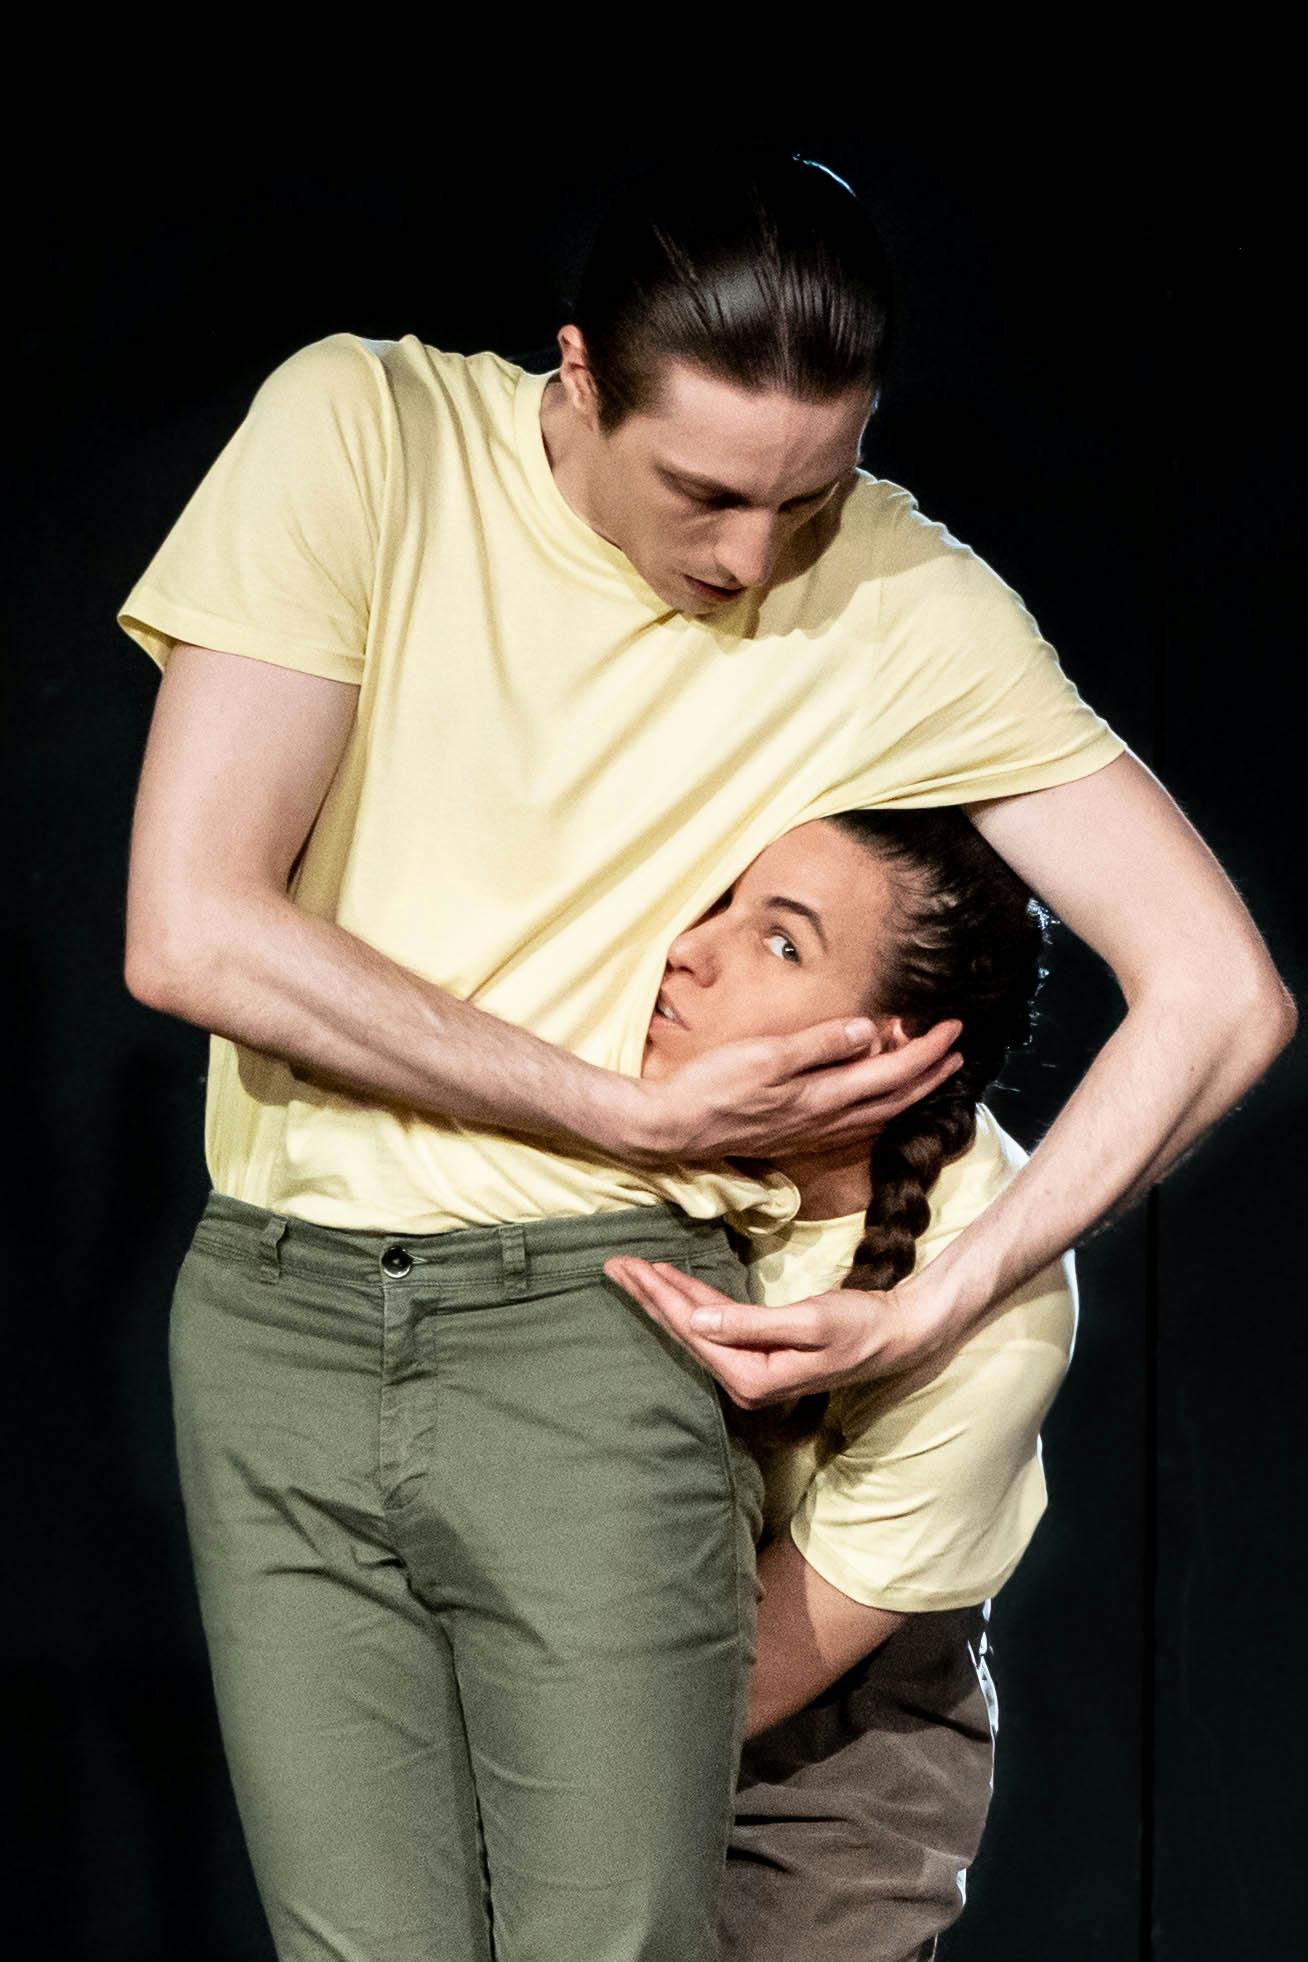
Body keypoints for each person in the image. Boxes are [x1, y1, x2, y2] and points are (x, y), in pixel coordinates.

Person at [116, 147, 1294, 1961]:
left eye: (806, 497)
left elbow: (1221, 991)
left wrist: (946, 1293)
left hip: (588, 1317)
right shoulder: (361, 432)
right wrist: (618, 1098)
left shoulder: (901, 595)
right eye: (705, 490)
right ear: (577, 371)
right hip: (272, 1310)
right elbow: (192, 926)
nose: (750, 557)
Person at [627, 804, 1073, 1959]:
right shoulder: (628, 1064)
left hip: (827, 1728)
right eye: (719, 899)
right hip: (613, 1653)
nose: (691, 950)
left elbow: (762, 1670)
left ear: (886, 1048)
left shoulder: (994, 1295)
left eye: (781, 943)